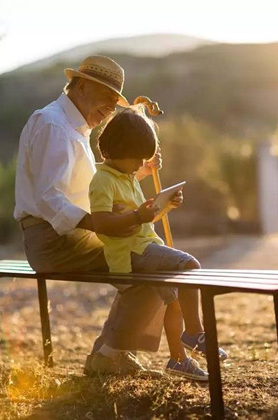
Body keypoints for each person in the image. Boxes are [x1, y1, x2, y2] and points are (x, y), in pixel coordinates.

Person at [14, 55, 168, 374]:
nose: (111, 110)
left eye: (115, 104)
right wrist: (99, 224)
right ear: (82, 86)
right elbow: (49, 198)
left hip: (66, 236)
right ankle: (109, 355)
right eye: (108, 100)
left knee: (150, 260)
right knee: (151, 263)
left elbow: (85, 187)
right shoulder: (53, 124)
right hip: (54, 241)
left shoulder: (72, 126)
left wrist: (133, 169)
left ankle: (111, 352)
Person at [88, 108, 228, 381]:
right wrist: (139, 215)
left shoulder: (127, 177)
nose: (141, 163)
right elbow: (101, 224)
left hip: (143, 245)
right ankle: (194, 333)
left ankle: (178, 359)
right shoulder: (103, 181)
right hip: (129, 253)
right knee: (188, 264)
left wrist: (164, 208)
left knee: (173, 301)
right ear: (117, 150)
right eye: (137, 158)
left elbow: (141, 220)